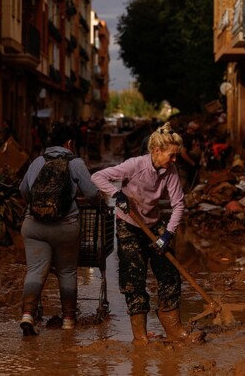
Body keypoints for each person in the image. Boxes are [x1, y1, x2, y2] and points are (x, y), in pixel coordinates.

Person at [91, 122, 189, 345]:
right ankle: (140, 337)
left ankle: (173, 328)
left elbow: (179, 205)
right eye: (171, 155)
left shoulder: (170, 171)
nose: (174, 160)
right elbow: (98, 177)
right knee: (134, 279)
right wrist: (118, 195)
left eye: (176, 156)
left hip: (153, 225)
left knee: (169, 273)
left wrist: (168, 234)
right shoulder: (134, 166)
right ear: (156, 151)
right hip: (128, 225)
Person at [18, 124, 99, 336]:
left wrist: (39, 207)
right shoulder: (75, 162)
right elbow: (91, 193)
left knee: (35, 270)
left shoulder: (37, 161)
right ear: (70, 143)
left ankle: (27, 314)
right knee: (67, 271)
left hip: (34, 225)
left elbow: (23, 190)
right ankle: (68, 320)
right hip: (65, 227)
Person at [177, 121, 203, 191]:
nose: (197, 132)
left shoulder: (197, 136)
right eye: (195, 130)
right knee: (183, 185)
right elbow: (183, 153)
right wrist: (193, 163)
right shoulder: (185, 137)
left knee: (195, 185)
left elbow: (200, 148)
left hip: (194, 166)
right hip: (185, 166)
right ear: (190, 129)